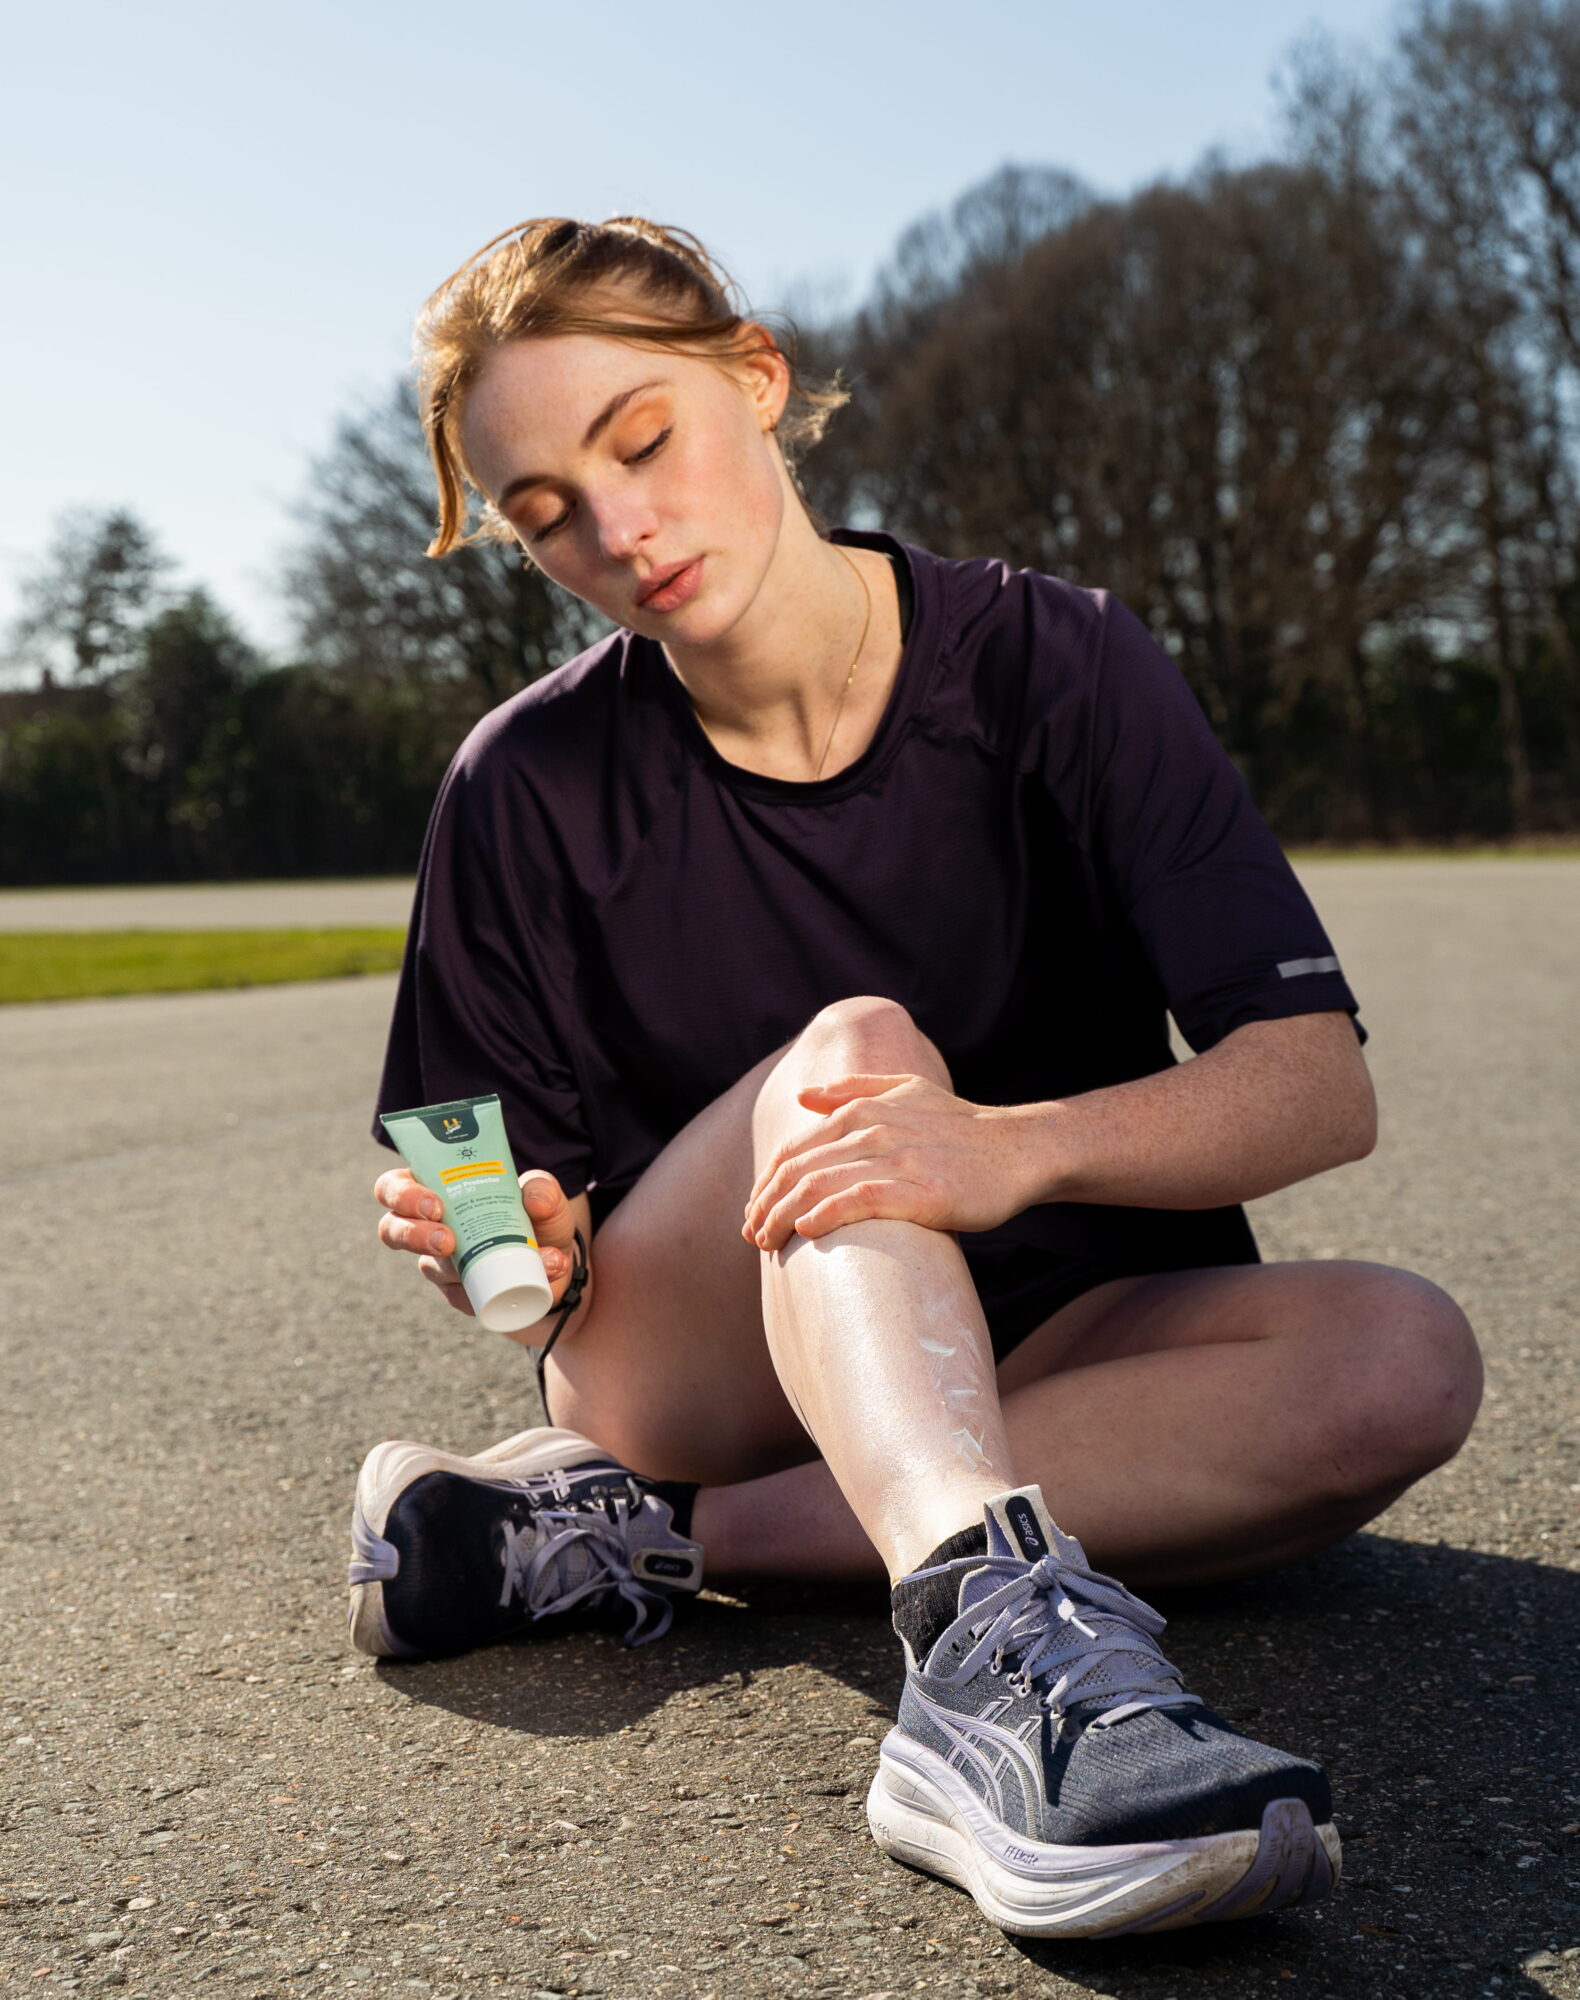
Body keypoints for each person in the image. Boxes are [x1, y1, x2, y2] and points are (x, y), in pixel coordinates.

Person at [348, 215, 1482, 1939]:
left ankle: (637, 1544)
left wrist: (1006, 1153)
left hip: (1057, 1323)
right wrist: (510, 1257)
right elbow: (506, 1212)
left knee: (1403, 1362)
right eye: (544, 511)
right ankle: (979, 1659)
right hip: (704, 1362)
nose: (616, 527)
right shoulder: (522, 785)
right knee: (859, 1056)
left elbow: (1314, 1085)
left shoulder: (1058, 663)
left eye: (640, 440)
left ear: (759, 379)